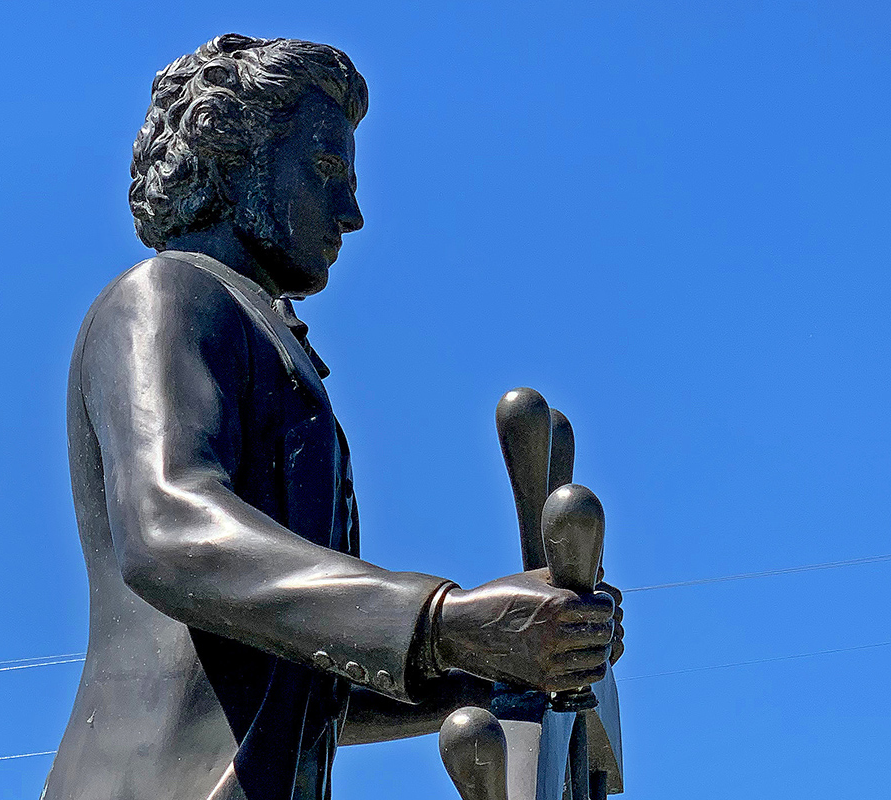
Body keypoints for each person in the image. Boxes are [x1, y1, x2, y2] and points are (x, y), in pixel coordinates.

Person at [43, 34, 624, 800]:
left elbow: (300, 677)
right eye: (325, 171)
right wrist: (446, 620)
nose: (350, 213)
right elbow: (168, 529)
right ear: (235, 157)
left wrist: (501, 664)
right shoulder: (167, 296)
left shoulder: (260, 335)